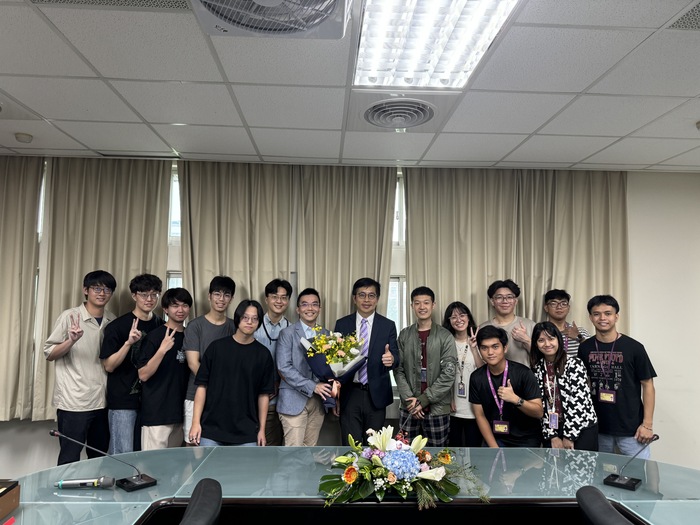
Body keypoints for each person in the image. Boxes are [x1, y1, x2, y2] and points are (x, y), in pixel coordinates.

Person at [44, 270, 117, 465]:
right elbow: (49, 354)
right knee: (70, 457)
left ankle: (95, 495)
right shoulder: (70, 317)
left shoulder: (112, 319)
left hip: (102, 401)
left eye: (107, 289)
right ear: (85, 290)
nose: (102, 293)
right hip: (74, 402)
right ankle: (65, 496)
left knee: (99, 457)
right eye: (96, 288)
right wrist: (71, 341)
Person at [578, 295, 657, 458]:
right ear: (591, 318)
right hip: (598, 427)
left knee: (638, 476)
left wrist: (647, 425)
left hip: (632, 430)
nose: (602, 318)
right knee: (600, 476)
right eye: (597, 314)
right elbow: (584, 383)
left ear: (616, 316)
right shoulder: (584, 348)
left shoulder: (634, 348)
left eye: (608, 313)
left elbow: (648, 385)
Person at [189, 299, 275, 447]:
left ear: (259, 323)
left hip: (247, 432)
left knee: (245, 471)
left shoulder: (263, 355)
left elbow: (263, 395)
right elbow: (202, 387)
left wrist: (261, 430)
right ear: (238, 318)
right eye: (245, 318)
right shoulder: (216, 348)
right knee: (208, 470)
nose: (250, 322)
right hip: (212, 429)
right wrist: (195, 423)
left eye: (255, 319)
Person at [100, 273, 163, 454]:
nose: (149, 299)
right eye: (144, 294)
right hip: (123, 402)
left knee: (145, 455)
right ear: (134, 295)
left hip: (151, 403)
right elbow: (109, 366)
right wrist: (128, 343)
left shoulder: (161, 325)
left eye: (154, 294)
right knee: (122, 454)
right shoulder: (117, 327)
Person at [333, 277, 400, 445]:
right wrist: (335, 398)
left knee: (375, 448)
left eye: (371, 295)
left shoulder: (388, 325)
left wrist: (391, 359)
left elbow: (397, 357)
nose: (366, 300)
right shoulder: (342, 324)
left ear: (377, 299)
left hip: (376, 395)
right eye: (362, 295)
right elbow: (334, 363)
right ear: (354, 298)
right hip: (350, 393)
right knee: (350, 447)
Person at [394, 286, 457, 447]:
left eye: (426, 303)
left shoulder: (445, 336)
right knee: (403, 455)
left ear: (433, 305)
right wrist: (411, 402)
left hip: (437, 409)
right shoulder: (404, 334)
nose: (422, 307)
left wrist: (424, 400)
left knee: (437, 457)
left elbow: (449, 374)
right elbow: (398, 369)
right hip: (409, 407)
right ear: (412, 306)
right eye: (417, 303)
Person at [276, 288, 334, 446]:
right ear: (298, 309)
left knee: (310, 451)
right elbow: (284, 368)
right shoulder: (287, 334)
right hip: (293, 401)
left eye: (314, 304)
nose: (310, 308)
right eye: (305, 304)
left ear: (320, 309)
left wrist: (334, 388)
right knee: (293, 452)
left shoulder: (327, 334)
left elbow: (332, 369)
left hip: (318, 403)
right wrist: (313, 386)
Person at [182, 276, 236, 445]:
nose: (221, 299)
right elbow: (193, 363)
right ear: (209, 296)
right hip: (196, 393)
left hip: (226, 398)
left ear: (231, 298)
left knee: (222, 448)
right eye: (217, 294)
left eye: (226, 295)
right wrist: (215, 386)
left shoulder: (235, 326)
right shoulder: (195, 326)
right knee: (195, 447)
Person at [137, 288, 192, 450]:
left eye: (185, 305)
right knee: (152, 468)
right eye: (175, 306)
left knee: (175, 468)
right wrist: (162, 350)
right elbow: (143, 374)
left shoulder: (191, 336)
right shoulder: (155, 336)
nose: (180, 310)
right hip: (157, 414)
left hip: (181, 414)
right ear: (166, 309)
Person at [469, 325, 543, 448]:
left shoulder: (523, 373)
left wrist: (516, 399)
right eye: (484, 348)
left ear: (505, 348)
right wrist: (494, 448)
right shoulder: (476, 377)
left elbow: (538, 412)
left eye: (495, 347)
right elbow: (480, 416)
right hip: (496, 439)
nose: (490, 352)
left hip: (526, 439)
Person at [530, 321, 598, 450]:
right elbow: (541, 405)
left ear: (559, 340)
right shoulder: (537, 369)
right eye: (541, 340)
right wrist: (553, 436)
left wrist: (569, 436)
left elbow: (579, 402)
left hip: (581, 427)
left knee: (580, 469)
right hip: (553, 428)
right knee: (553, 469)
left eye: (551, 338)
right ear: (536, 344)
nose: (547, 344)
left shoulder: (574, 364)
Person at [254, 278, 293, 446]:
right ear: (266, 299)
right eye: (275, 296)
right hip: (256, 397)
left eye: (284, 297)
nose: (279, 301)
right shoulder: (252, 325)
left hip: (284, 400)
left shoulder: (292, 330)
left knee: (280, 447)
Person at [442, 301, 484, 447]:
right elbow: (440, 375)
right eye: (453, 317)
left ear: (468, 317)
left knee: (474, 449)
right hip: (453, 406)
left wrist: (474, 349)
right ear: (449, 321)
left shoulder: (478, 341)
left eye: (462, 315)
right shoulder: (445, 342)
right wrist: (448, 398)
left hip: (474, 406)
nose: (458, 320)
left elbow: (483, 373)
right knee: (454, 450)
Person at [479, 279, 535, 367]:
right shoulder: (483, 328)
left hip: (524, 379)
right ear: (492, 301)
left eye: (509, 297)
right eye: (499, 297)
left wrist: (526, 340)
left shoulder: (530, 325)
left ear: (515, 301)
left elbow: (542, 358)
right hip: (491, 379)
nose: (505, 301)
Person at [543, 289, 590, 358]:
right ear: (546, 308)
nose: (559, 307)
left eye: (563, 304)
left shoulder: (580, 332)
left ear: (568, 308)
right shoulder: (541, 332)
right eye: (553, 303)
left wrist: (579, 337)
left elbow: (594, 354)